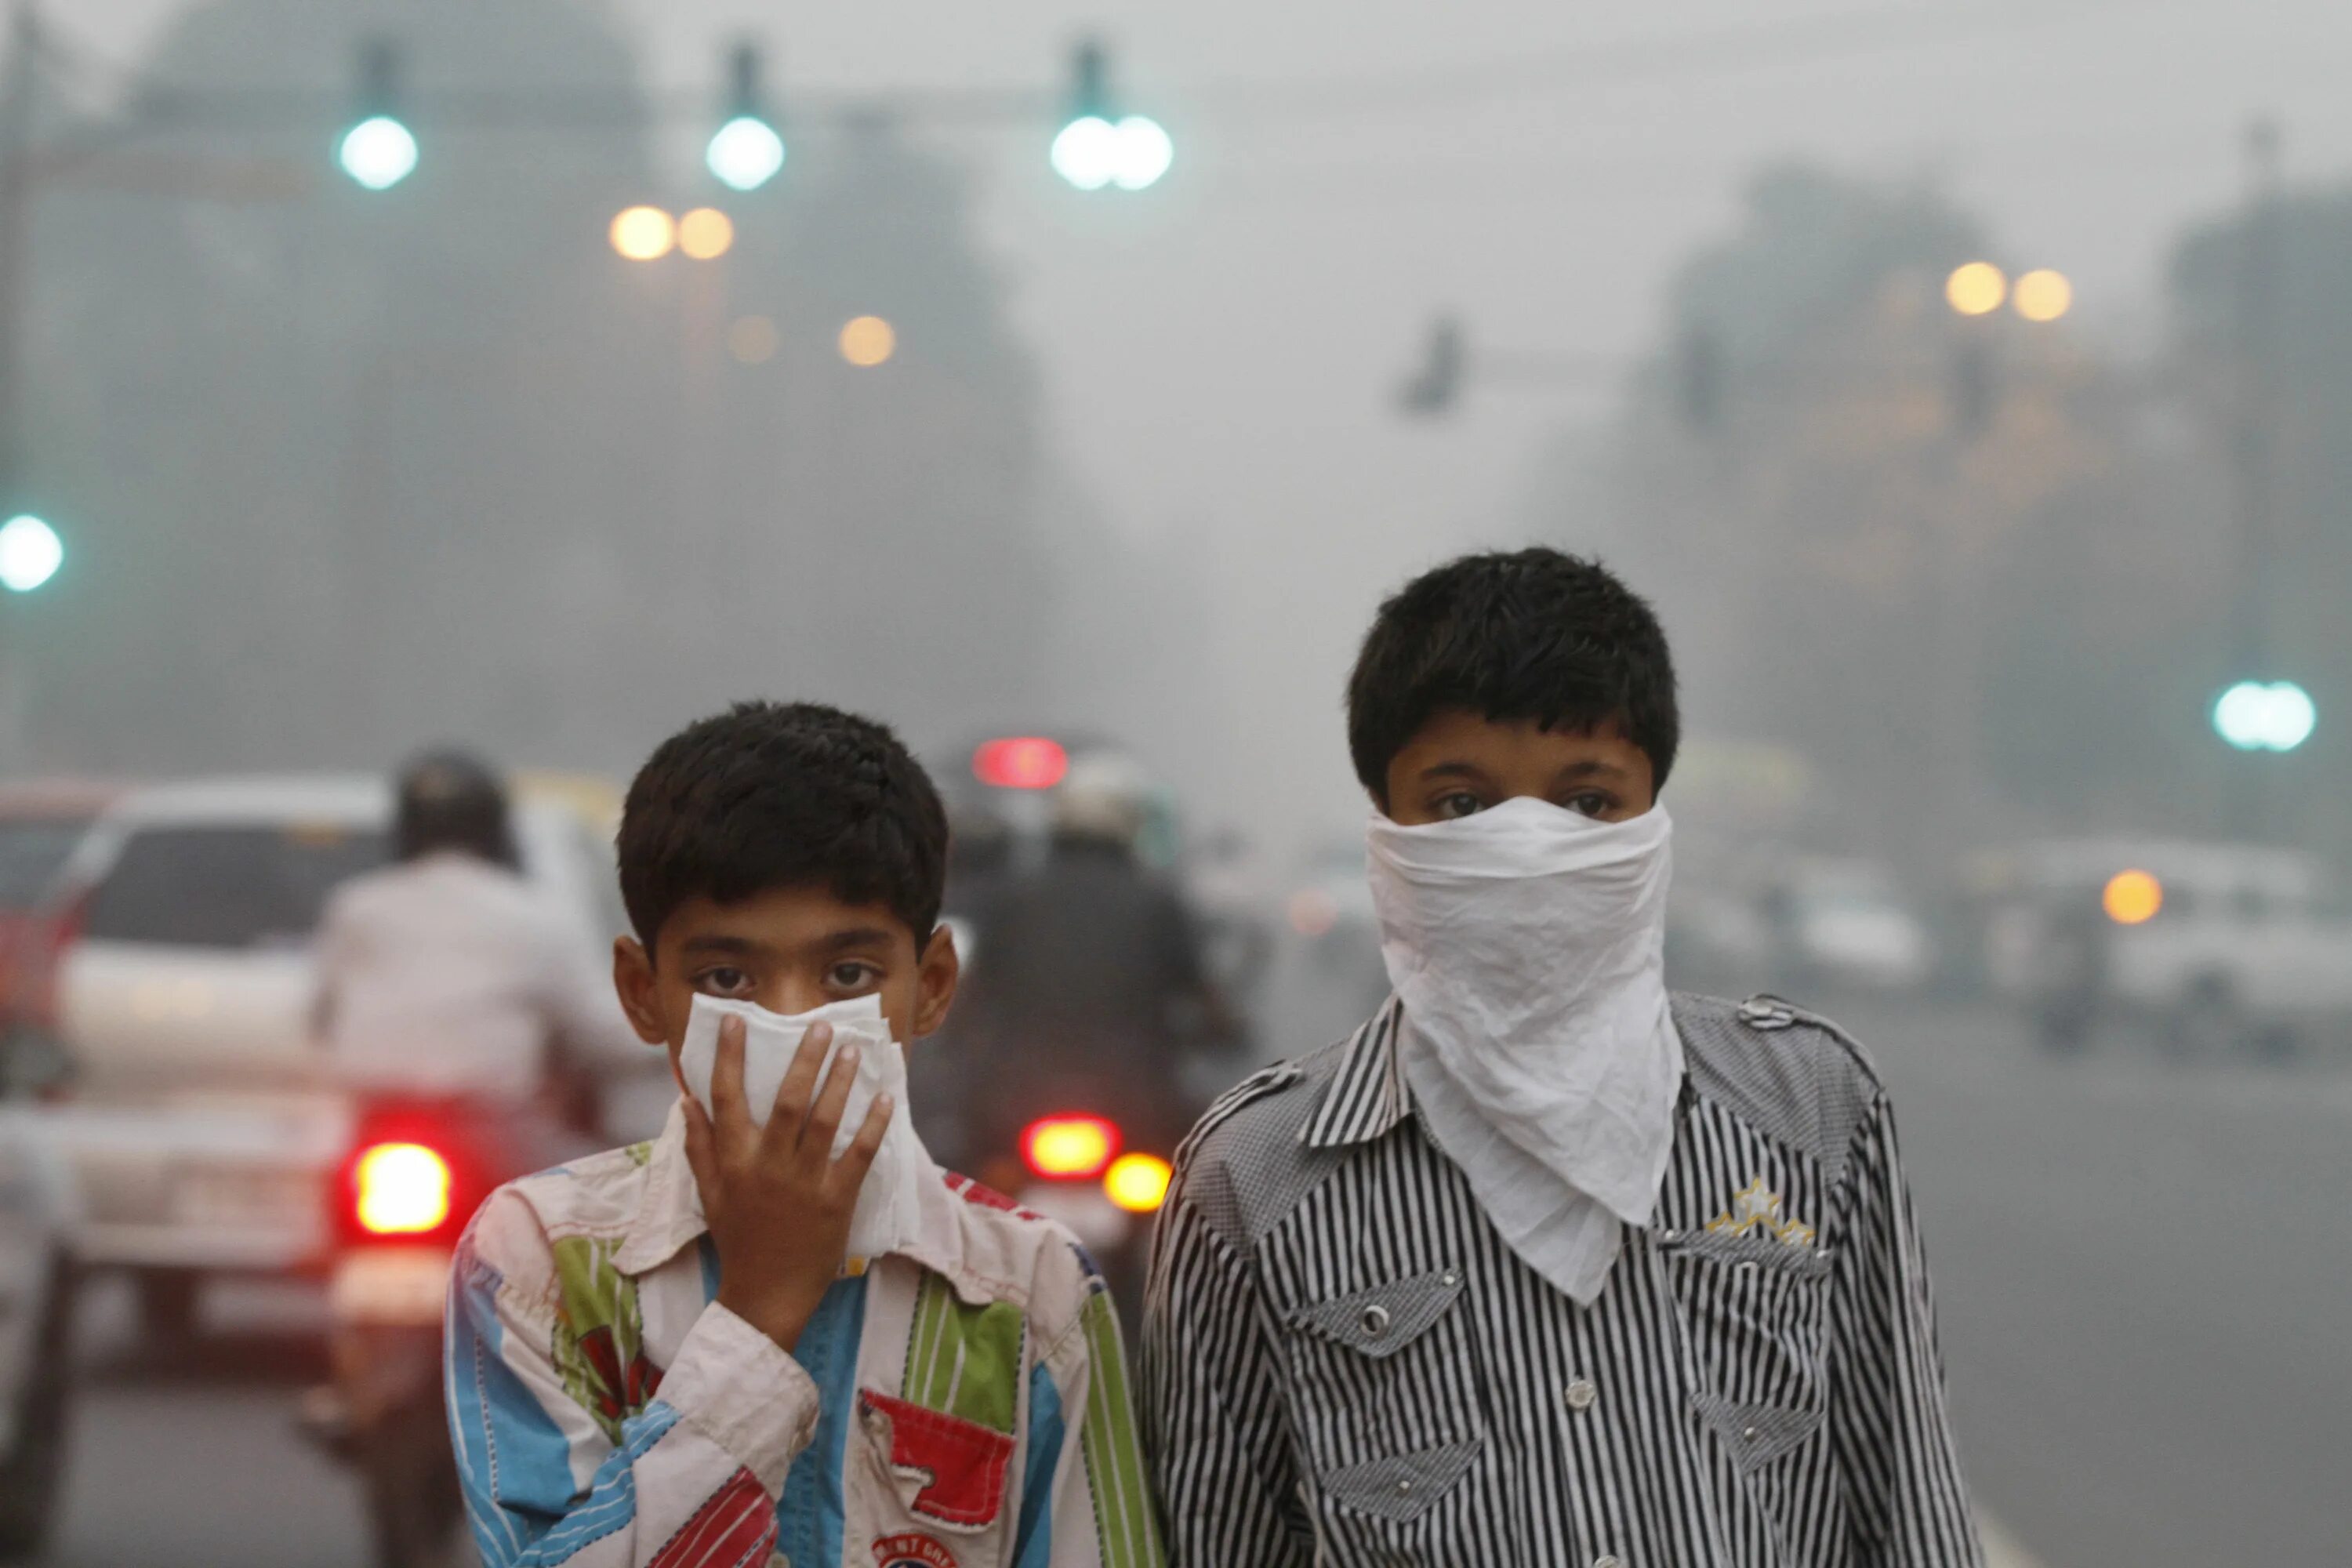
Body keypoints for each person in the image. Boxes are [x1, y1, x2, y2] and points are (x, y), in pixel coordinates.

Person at [1142, 549, 1982, 1566]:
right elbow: (1215, 1540)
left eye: (1587, 803)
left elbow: (1912, 1506)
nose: (1527, 845)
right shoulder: (1254, 1178)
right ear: (1385, 825)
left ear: (1653, 816)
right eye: (1462, 805)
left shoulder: (1810, 1108)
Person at [445, 701, 1163, 1568]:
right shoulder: (542, 1262)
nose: (794, 1023)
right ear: (642, 993)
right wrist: (757, 1311)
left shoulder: (1031, 1292)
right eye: (727, 976)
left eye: (847, 974)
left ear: (931, 985)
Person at [314, 750, 625, 1125]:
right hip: (493, 1122)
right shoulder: (535, 913)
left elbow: (320, 1015)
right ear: (496, 827)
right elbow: (595, 1026)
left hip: (372, 1115)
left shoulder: (357, 906)